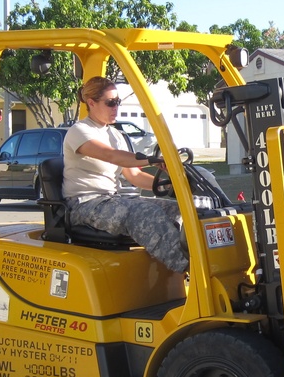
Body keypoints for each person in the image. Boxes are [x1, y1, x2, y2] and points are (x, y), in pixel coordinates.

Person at [62, 76, 189, 274]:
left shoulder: (116, 135)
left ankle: (195, 264)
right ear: (91, 103)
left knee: (182, 210)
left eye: (118, 102)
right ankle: (191, 269)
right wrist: (152, 160)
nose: (116, 107)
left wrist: (171, 185)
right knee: (143, 212)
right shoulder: (79, 131)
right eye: (110, 102)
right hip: (85, 204)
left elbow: (134, 176)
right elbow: (110, 155)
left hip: (112, 201)